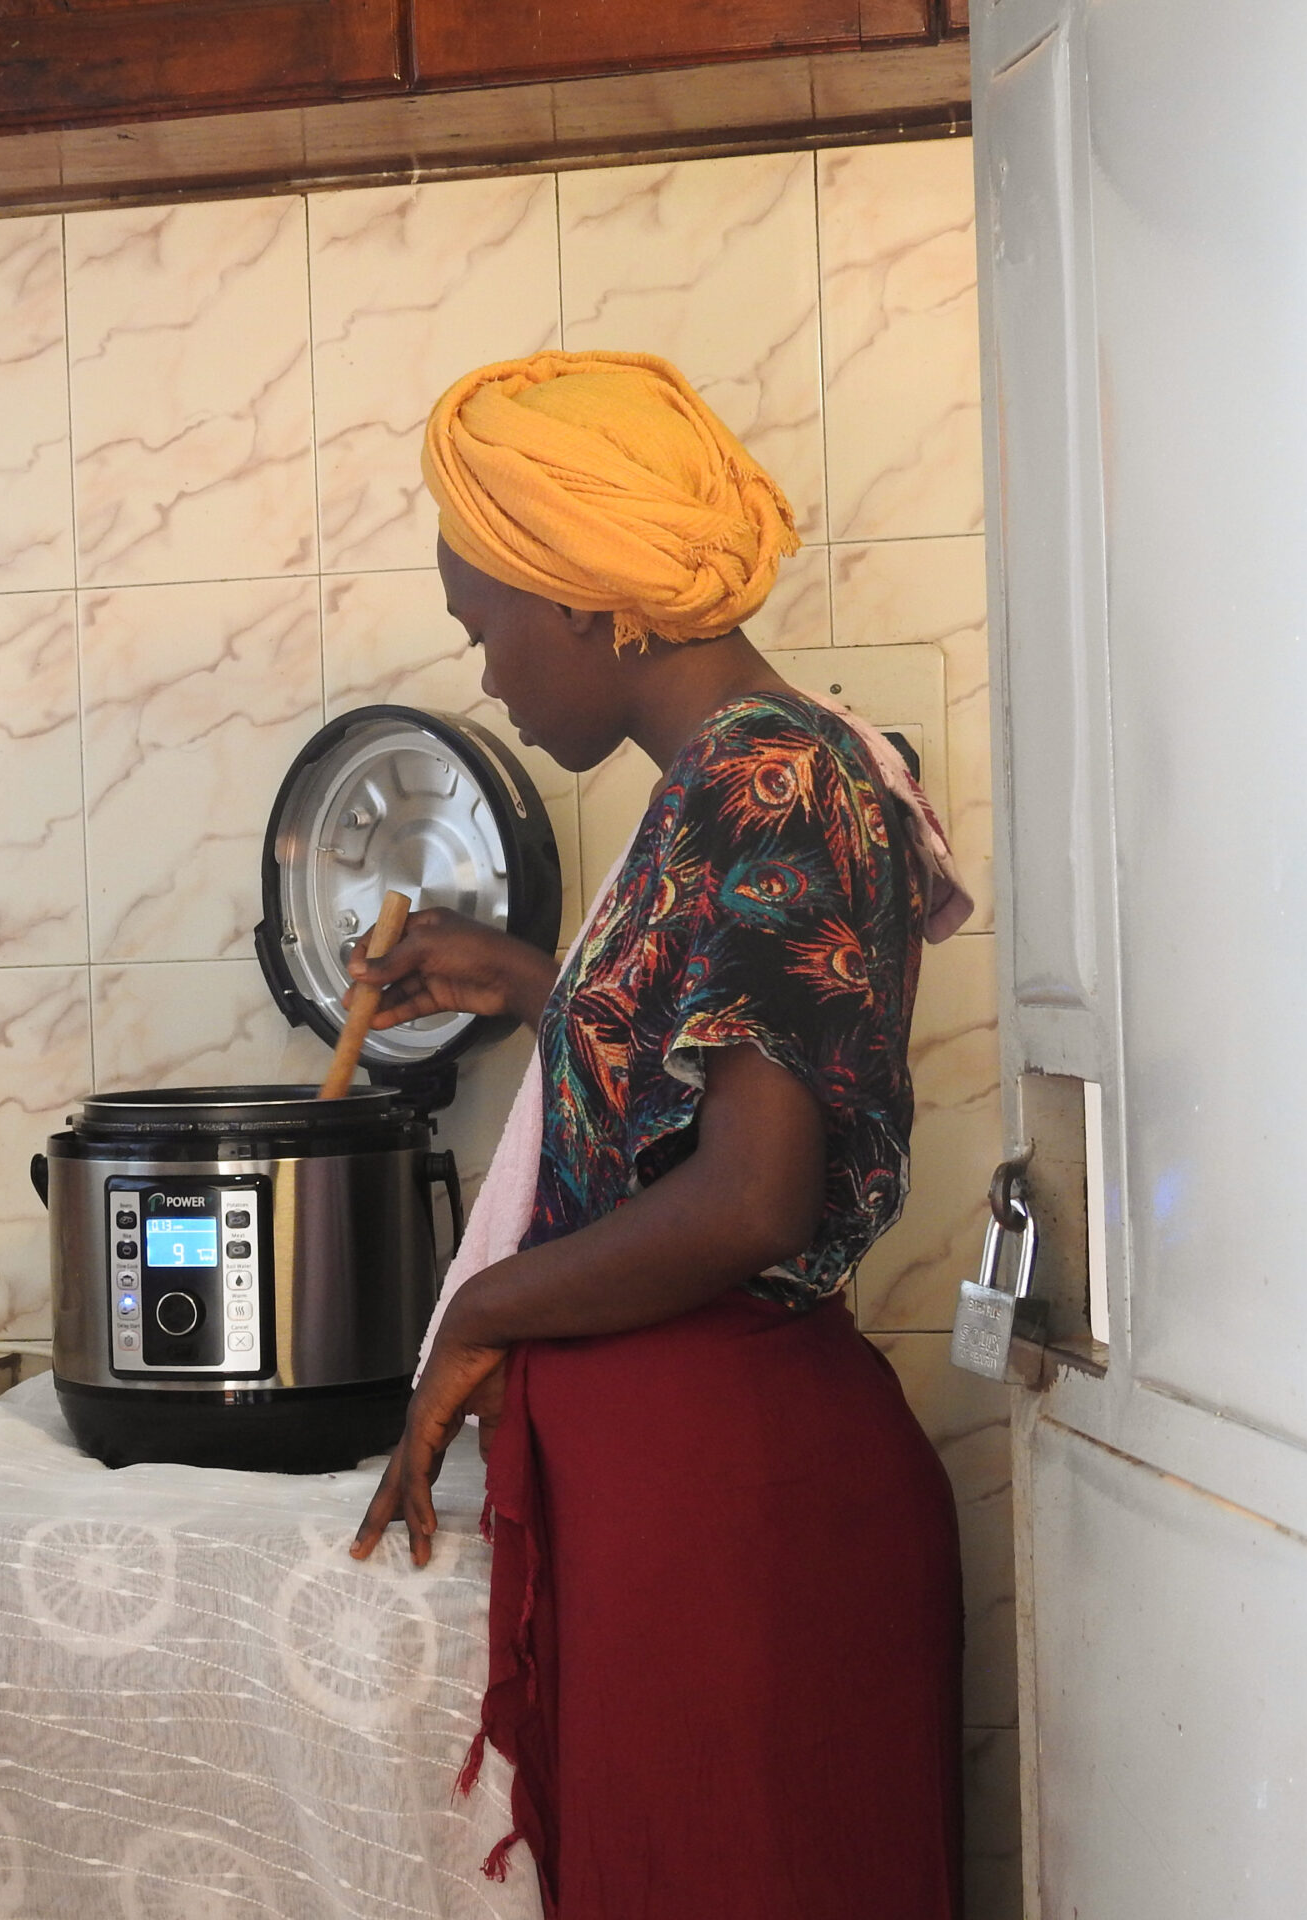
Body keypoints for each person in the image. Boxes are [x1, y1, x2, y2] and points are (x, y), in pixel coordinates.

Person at [349, 350, 975, 1919]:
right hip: (693, 1500)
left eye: (481, 623)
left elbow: (752, 1194)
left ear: (582, 599)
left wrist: (479, 1314)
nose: (484, 671)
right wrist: (542, 992)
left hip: (735, 1522)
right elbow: (736, 1054)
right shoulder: (738, 774)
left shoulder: (769, 780)